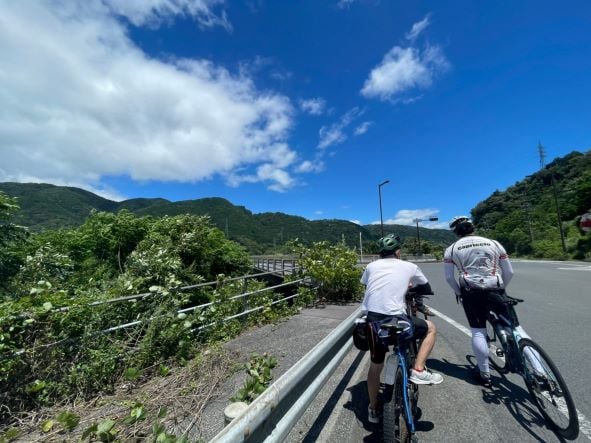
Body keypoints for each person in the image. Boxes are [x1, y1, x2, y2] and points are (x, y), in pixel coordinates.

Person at [443, 216, 535, 388]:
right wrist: (501, 289)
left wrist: (459, 293)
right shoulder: (493, 243)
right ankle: (540, 371)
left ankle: (485, 373)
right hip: (496, 289)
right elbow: (509, 271)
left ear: (455, 231)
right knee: (515, 328)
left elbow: (449, 278)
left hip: (471, 292)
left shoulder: (452, 249)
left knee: (478, 331)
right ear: (472, 227)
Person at [361, 234, 443, 424]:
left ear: (380, 254)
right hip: (398, 319)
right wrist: (408, 288)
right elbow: (425, 287)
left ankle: (373, 410)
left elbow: (367, 284)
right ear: (398, 252)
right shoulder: (409, 266)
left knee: (375, 367)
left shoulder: (371, 266)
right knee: (430, 328)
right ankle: (419, 370)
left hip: (373, 322)